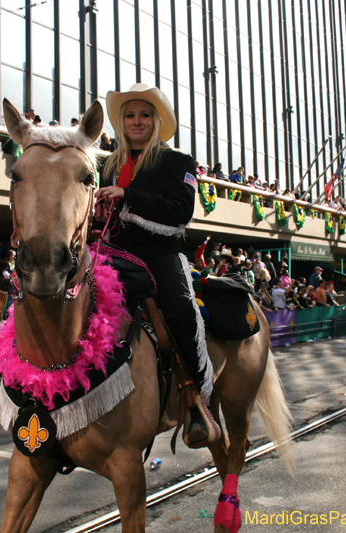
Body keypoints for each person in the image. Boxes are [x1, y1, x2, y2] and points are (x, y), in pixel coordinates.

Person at [95, 82, 219, 447]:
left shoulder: (178, 162)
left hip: (158, 255)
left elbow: (180, 214)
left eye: (144, 115)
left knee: (181, 310)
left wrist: (128, 195)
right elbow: (102, 212)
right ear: (121, 121)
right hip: (111, 253)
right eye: (130, 115)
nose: (136, 121)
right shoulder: (107, 163)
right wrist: (99, 211)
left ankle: (198, 400)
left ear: (156, 120)